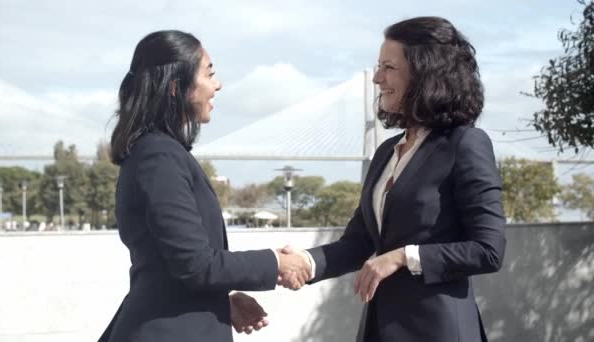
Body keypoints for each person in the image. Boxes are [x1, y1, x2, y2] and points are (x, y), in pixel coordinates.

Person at [280, 16, 506, 342]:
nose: (376, 78)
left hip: (438, 331)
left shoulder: (466, 145)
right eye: (377, 66)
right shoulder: (387, 152)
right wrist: (305, 261)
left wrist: (403, 257)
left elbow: (489, 250)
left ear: (425, 73)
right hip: (378, 330)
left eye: (388, 67)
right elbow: (358, 243)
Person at [98, 30, 311, 342]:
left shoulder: (160, 152)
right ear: (176, 87)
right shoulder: (158, 156)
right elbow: (195, 263)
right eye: (209, 73)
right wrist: (277, 261)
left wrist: (218, 301)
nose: (218, 84)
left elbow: (171, 268)